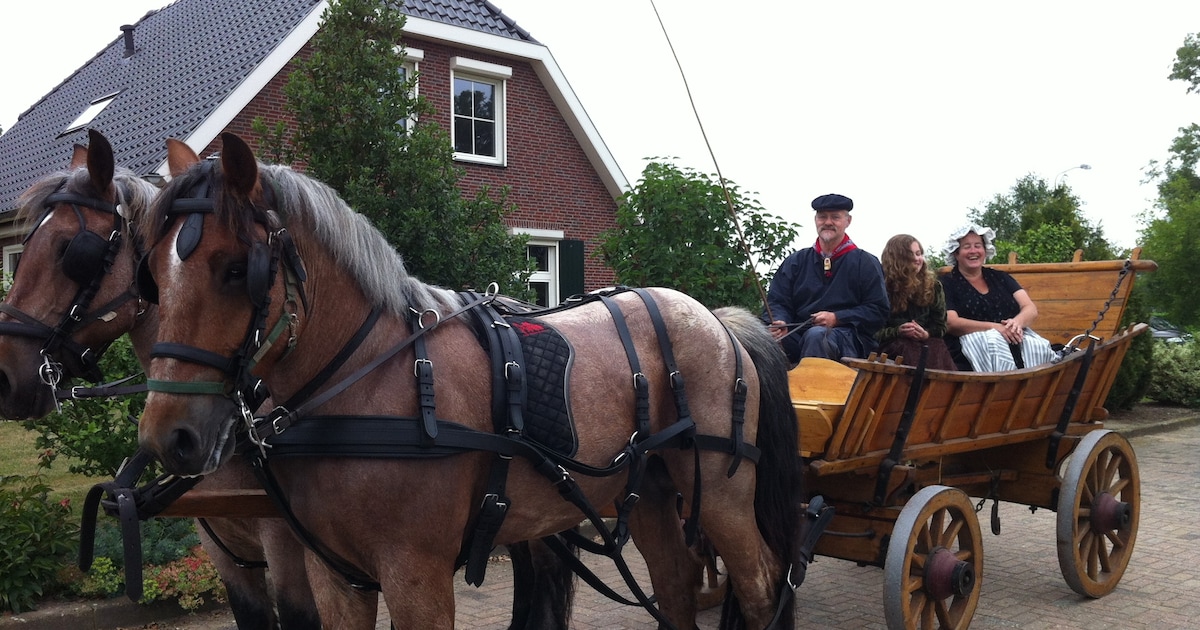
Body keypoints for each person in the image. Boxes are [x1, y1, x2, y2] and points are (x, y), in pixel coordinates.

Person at [766, 193, 889, 363]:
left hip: (849, 339)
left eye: (835, 217)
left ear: (848, 221)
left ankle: (811, 389)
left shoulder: (866, 262)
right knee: (757, 337)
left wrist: (837, 318)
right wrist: (780, 321)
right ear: (816, 220)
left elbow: (878, 310)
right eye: (822, 217)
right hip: (798, 335)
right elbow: (777, 301)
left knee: (817, 336)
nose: (828, 222)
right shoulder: (796, 261)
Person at [939, 224, 1054, 371]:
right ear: (956, 253)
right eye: (967, 247)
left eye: (978, 246)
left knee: (1037, 346)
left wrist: (1015, 323)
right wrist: (995, 328)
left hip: (1014, 339)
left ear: (985, 250)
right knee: (993, 341)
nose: (973, 251)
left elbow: (1030, 308)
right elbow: (951, 323)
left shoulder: (1000, 277)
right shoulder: (946, 283)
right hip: (969, 350)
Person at [875, 234, 957, 370]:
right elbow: (872, 331)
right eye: (910, 255)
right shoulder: (881, 286)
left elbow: (940, 327)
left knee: (936, 345)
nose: (916, 259)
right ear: (896, 259)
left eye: (919, 254)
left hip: (925, 342)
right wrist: (898, 331)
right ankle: (916, 390)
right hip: (892, 345)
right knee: (907, 347)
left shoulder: (933, 286)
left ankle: (947, 389)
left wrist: (926, 333)